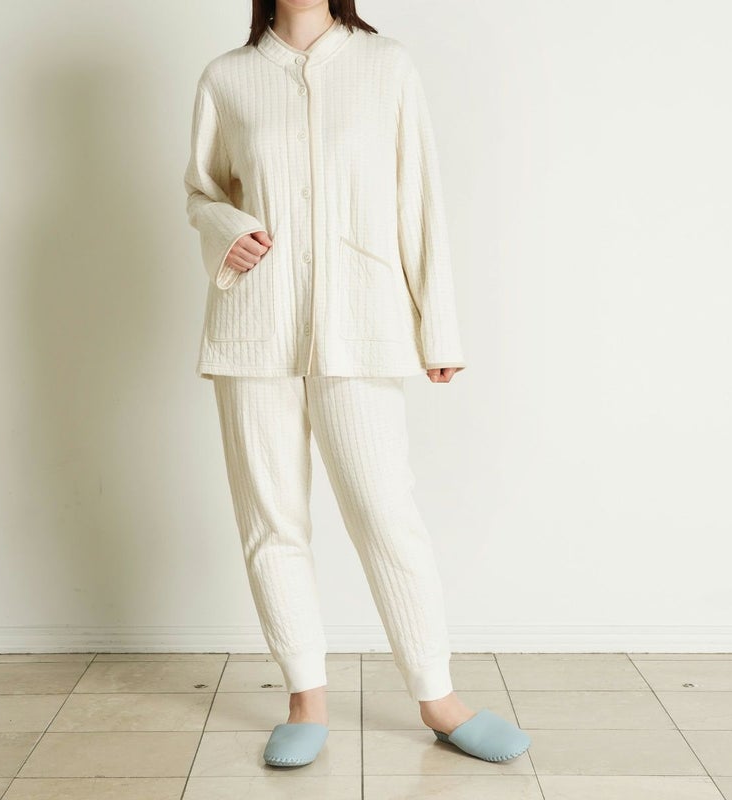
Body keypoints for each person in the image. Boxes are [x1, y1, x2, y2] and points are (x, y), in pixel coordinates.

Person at [184, 0, 531, 767]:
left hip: (363, 326)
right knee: (272, 523)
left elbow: (420, 200)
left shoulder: (386, 67)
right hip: (253, 331)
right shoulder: (228, 78)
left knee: (386, 515)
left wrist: (437, 329)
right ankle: (304, 699)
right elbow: (201, 191)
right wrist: (227, 230)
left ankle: (437, 696)